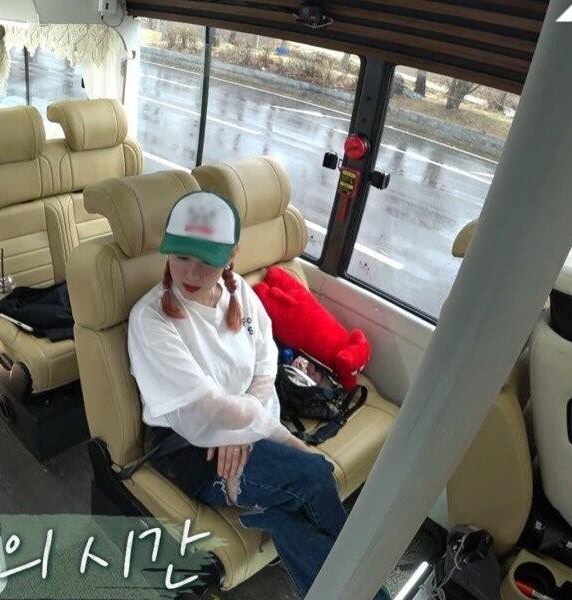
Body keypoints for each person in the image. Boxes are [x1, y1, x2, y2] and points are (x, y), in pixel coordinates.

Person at [127, 191, 388, 599]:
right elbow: (205, 407)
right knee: (314, 475)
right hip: (194, 451)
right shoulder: (151, 319)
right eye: (180, 257)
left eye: (207, 261)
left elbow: (266, 363)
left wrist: (243, 429)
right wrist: (265, 432)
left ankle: (334, 575)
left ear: (232, 255)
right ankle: (365, 586)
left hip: (247, 429)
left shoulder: (240, 295)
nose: (191, 272)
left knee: (292, 508)